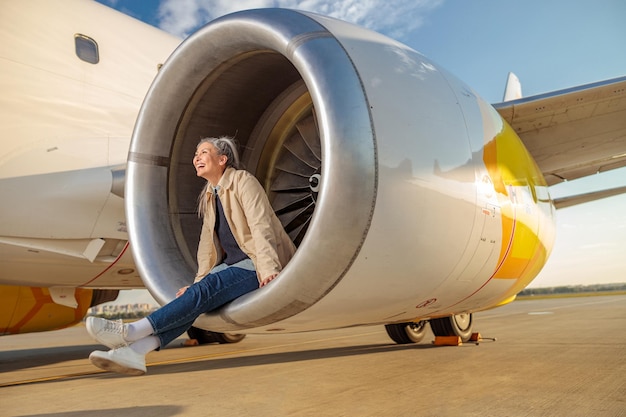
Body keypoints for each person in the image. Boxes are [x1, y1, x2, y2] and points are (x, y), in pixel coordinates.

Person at [87, 136, 296, 375]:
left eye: (204, 152)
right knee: (192, 299)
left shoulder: (243, 181)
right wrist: (196, 284)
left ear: (222, 159)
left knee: (203, 292)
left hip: (256, 263)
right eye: (196, 154)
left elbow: (261, 226)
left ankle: (131, 332)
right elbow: (206, 247)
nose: (197, 158)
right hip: (234, 265)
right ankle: (135, 352)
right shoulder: (209, 194)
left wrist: (269, 269)